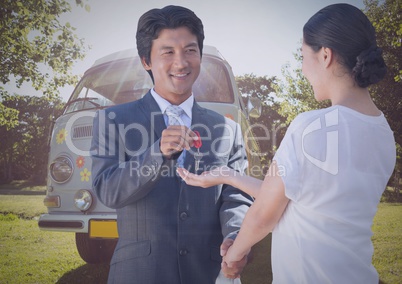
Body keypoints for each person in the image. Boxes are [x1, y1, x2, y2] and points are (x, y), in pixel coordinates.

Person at [177, 3, 396, 283]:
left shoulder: (312, 126)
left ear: (325, 55)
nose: (303, 69)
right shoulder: (383, 134)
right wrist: (227, 175)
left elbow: (265, 214)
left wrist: (232, 258)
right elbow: (291, 197)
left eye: (304, 56)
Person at [90, 5, 253, 284]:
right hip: (140, 274)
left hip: (210, 272)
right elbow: (108, 190)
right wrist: (156, 153)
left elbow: (235, 196)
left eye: (190, 50)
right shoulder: (112, 120)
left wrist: (236, 236)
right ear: (146, 61)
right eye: (168, 52)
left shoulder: (228, 128)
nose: (181, 63)